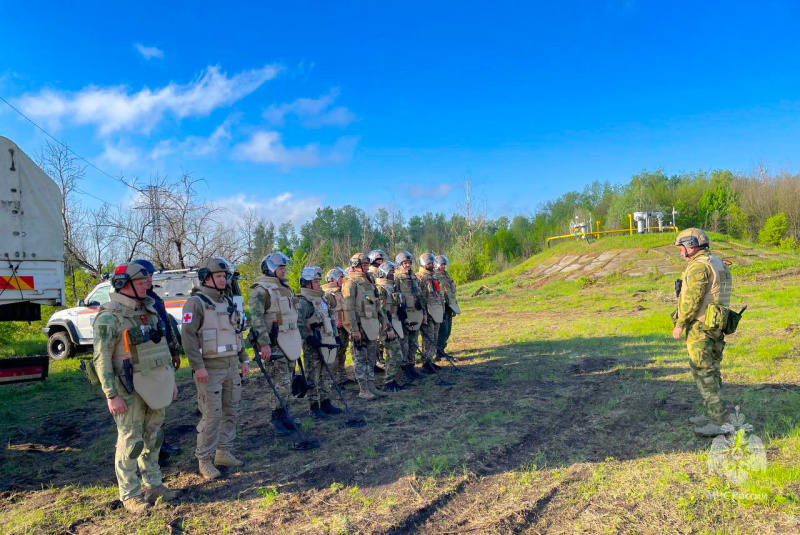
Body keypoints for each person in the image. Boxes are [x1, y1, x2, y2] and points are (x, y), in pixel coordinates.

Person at [92, 262, 180, 512]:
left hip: (155, 384)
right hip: (127, 389)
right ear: (123, 284)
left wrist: (170, 382)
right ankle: (129, 494)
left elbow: (162, 350)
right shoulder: (110, 316)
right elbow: (102, 359)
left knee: (154, 437)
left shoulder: (150, 310)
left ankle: (154, 485)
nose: (147, 285)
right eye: (142, 282)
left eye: (147, 281)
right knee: (131, 442)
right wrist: (111, 395)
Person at [181, 258, 249, 480]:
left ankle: (223, 451)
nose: (224, 280)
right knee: (212, 414)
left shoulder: (227, 301)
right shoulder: (196, 303)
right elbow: (188, 338)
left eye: (225, 276)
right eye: (219, 276)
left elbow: (236, 331)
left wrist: (243, 358)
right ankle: (205, 459)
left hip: (230, 364)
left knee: (231, 409)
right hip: (209, 368)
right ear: (206, 277)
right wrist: (197, 367)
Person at [672, 228, 733, 437]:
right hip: (716, 324)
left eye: (682, 248)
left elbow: (692, 299)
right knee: (712, 370)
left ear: (691, 246)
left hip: (701, 326)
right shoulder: (716, 262)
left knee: (703, 371)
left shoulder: (699, 267)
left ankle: (718, 421)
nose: (681, 253)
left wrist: (680, 324)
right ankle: (713, 413)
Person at [248, 252, 303, 436]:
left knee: (288, 378)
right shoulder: (260, 290)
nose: (284, 271)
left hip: (290, 339)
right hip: (274, 342)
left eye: (284, 267)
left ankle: (285, 414)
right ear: (270, 268)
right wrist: (263, 344)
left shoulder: (285, 288)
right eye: (280, 267)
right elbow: (256, 320)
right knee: (280, 381)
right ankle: (275, 418)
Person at [132, 259, 182, 460]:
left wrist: (175, 351)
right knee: (147, 404)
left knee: (161, 400)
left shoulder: (154, 300)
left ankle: (160, 443)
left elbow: (166, 328)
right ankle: (149, 449)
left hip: (163, 356)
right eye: (146, 276)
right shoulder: (138, 303)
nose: (149, 280)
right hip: (145, 360)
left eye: (151, 276)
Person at [296, 266, 344, 418]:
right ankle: (314, 406)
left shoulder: (322, 298)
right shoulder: (303, 302)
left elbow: (331, 317)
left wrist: (336, 336)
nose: (318, 283)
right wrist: (308, 337)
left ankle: (326, 402)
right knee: (313, 376)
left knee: (325, 374)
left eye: (318, 280)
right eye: (315, 281)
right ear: (307, 283)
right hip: (313, 344)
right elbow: (298, 324)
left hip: (327, 340)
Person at [342, 253, 390, 400]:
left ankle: (371, 386)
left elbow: (372, 302)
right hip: (360, 327)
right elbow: (349, 308)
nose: (366, 267)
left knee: (370, 357)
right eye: (363, 264)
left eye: (366, 264)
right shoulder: (350, 284)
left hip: (371, 324)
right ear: (354, 265)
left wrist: (383, 321)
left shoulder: (368, 282)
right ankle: (363, 389)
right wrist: (354, 329)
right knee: (360, 358)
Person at [374, 261, 408, 391]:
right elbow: (381, 311)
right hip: (386, 326)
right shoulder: (380, 289)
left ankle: (390, 380)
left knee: (392, 354)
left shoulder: (392, 287)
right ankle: (388, 381)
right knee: (396, 353)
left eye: (393, 271)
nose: (393, 274)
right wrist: (387, 328)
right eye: (390, 272)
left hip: (395, 323)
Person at [393, 252, 426, 381]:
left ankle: (412, 366)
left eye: (408, 263)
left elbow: (420, 296)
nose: (407, 265)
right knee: (404, 343)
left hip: (416, 313)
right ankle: (404, 368)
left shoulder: (414, 278)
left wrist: (423, 313)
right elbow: (395, 298)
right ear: (399, 264)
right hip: (405, 314)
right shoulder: (396, 278)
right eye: (404, 263)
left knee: (414, 342)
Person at [322, 267, 353, 385]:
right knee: (334, 355)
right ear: (333, 279)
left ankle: (342, 378)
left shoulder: (341, 292)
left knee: (342, 353)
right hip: (335, 328)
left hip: (344, 326)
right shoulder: (327, 294)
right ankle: (332, 381)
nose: (343, 280)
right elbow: (324, 312)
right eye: (341, 277)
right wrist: (333, 322)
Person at [417, 253, 445, 373]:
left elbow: (439, 294)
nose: (431, 265)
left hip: (436, 311)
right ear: (423, 264)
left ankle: (431, 360)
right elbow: (420, 297)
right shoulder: (420, 277)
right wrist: (423, 314)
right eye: (428, 263)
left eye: (432, 263)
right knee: (428, 338)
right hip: (427, 313)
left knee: (434, 336)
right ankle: (426, 361)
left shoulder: (435, 276)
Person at [434, 255, 460, 354]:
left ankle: (442, 349)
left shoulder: (446, 275)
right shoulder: (434, 277)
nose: (443, 266)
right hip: (441, 307)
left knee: (448, 331)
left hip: (449, 306)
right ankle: (439, 351)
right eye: (441, 264)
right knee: (443, 331)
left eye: (444, 264)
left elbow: (451, 292)